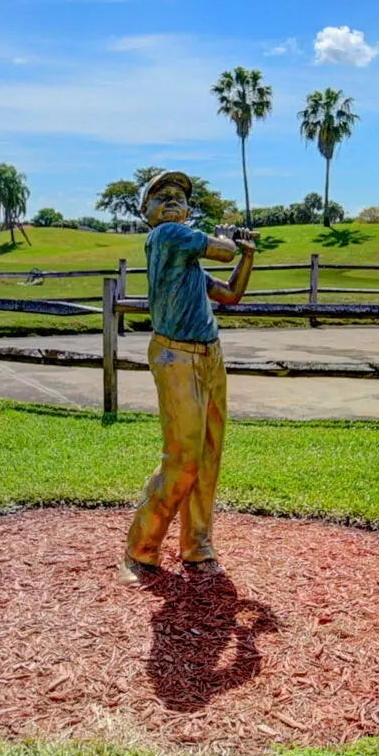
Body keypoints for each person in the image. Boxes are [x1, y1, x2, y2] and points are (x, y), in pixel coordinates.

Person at [120, 170, 257, 582]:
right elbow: (223, 252)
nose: (171, 201)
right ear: (145, 211)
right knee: (183, 459)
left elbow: (230, 293)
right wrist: (230, 240)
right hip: (176, 356)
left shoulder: (188, 264)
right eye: (161, 196)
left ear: (188, 209)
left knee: (209, 456)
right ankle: (140, 548)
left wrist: (249, 255)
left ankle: (197, 545)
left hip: (210, 355)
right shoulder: (166, 237)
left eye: (179, 197)